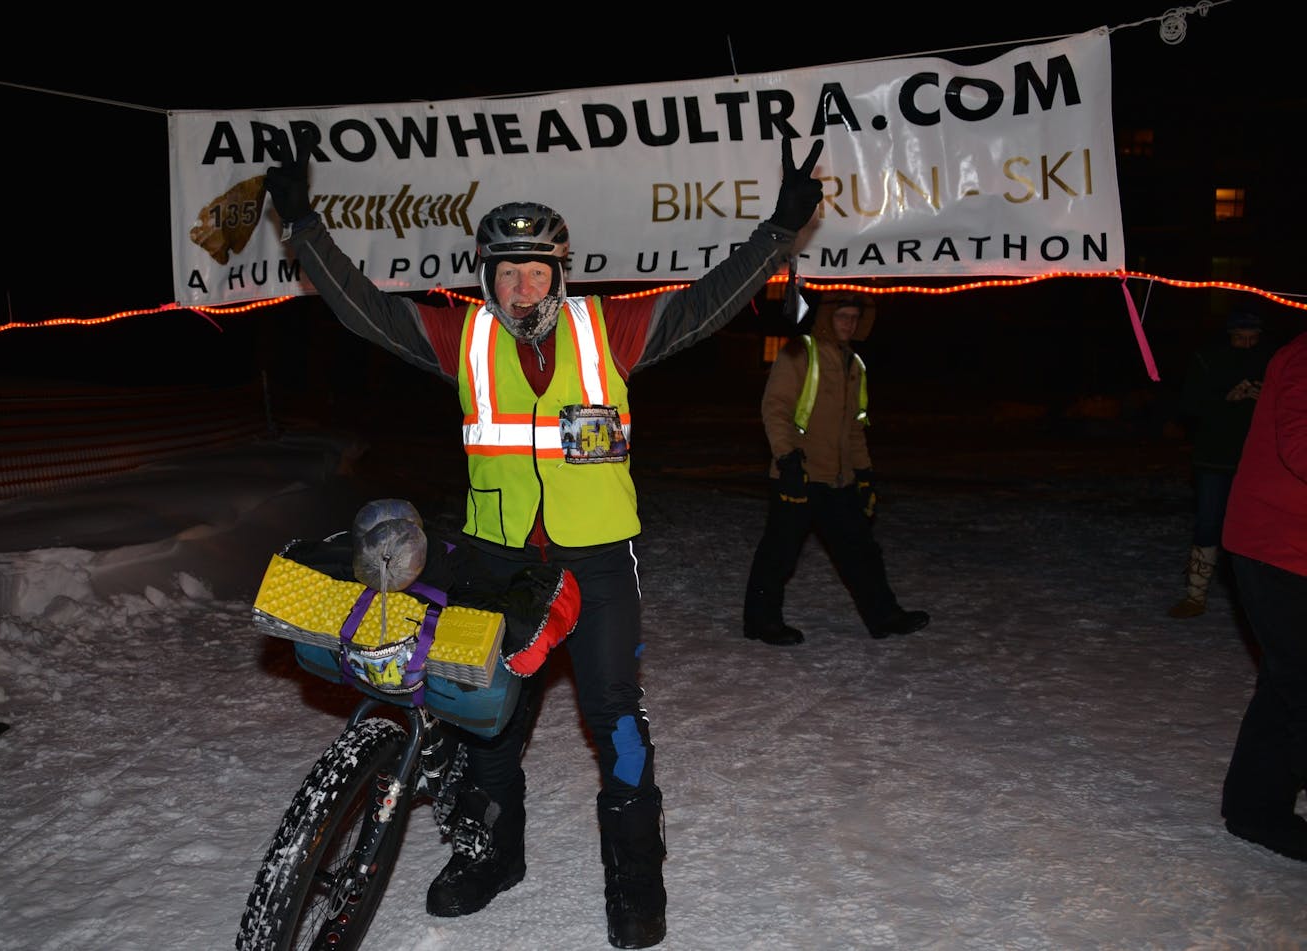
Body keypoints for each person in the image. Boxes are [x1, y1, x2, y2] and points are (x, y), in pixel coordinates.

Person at [263, 136, 825, 949]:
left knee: (614, 714)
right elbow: (366, 311)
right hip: (498, 563)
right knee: (486, 718)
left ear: (561, 274)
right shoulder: (464, 339)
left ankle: (636, 877)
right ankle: (492, 856)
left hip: (596, 560)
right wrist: (304, 224)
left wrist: (778, 233)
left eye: (536, 273)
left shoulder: (614, 330)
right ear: (486, 277)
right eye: (506, 273)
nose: (522, 289)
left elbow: (706, 302)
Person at [742, 294, 929, 645]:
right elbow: (775, 408)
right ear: (827, 317)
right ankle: (761, 621)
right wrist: (787, 458)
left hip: (838, 478)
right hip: (799, 473)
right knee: (780, 553)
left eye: (854, 317)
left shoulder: (854, 363)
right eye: (842, 316)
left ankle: (884, 615)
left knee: (861, 550)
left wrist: (865, 473)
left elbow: (855, 427)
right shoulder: (801, 352)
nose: (848, 323)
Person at [1217, 326, 1307, 862]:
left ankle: (1255, 809)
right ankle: (1256, 810)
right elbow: (1300, 445)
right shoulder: (1303, 358)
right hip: (1276, 548)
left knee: (1287, 682)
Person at [1167, 310, 1274, 618]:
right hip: (1213, 458)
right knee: (1209, 523)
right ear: (1229, 335)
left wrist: (1264, 397)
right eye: (1241, 338)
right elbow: (1190, 405)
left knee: (1255, 529)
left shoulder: (1269, 360)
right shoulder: (1208, 358)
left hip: (1255, 460)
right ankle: (1195, 595)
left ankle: (1256, 599)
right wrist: (1226, 398)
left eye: (1253, 338)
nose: (1247, 344)